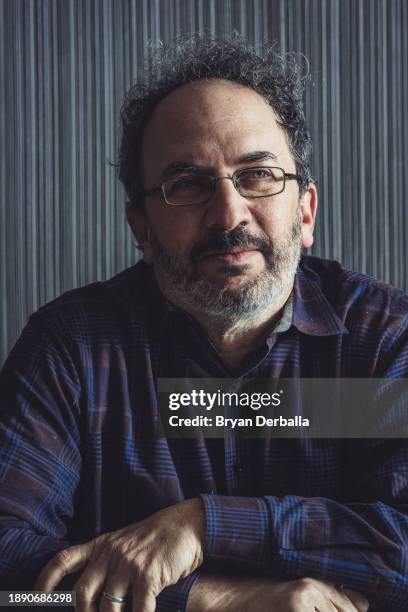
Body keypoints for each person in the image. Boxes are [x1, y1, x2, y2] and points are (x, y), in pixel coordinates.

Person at [0, 36, 407, 612]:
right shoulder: (70, 349)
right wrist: (215, 600)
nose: (229, 215)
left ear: (306, 210)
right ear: (141, 227)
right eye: (187, 185)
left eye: (259, 175)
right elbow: (10, 590)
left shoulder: (386, 340)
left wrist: (206, 525)